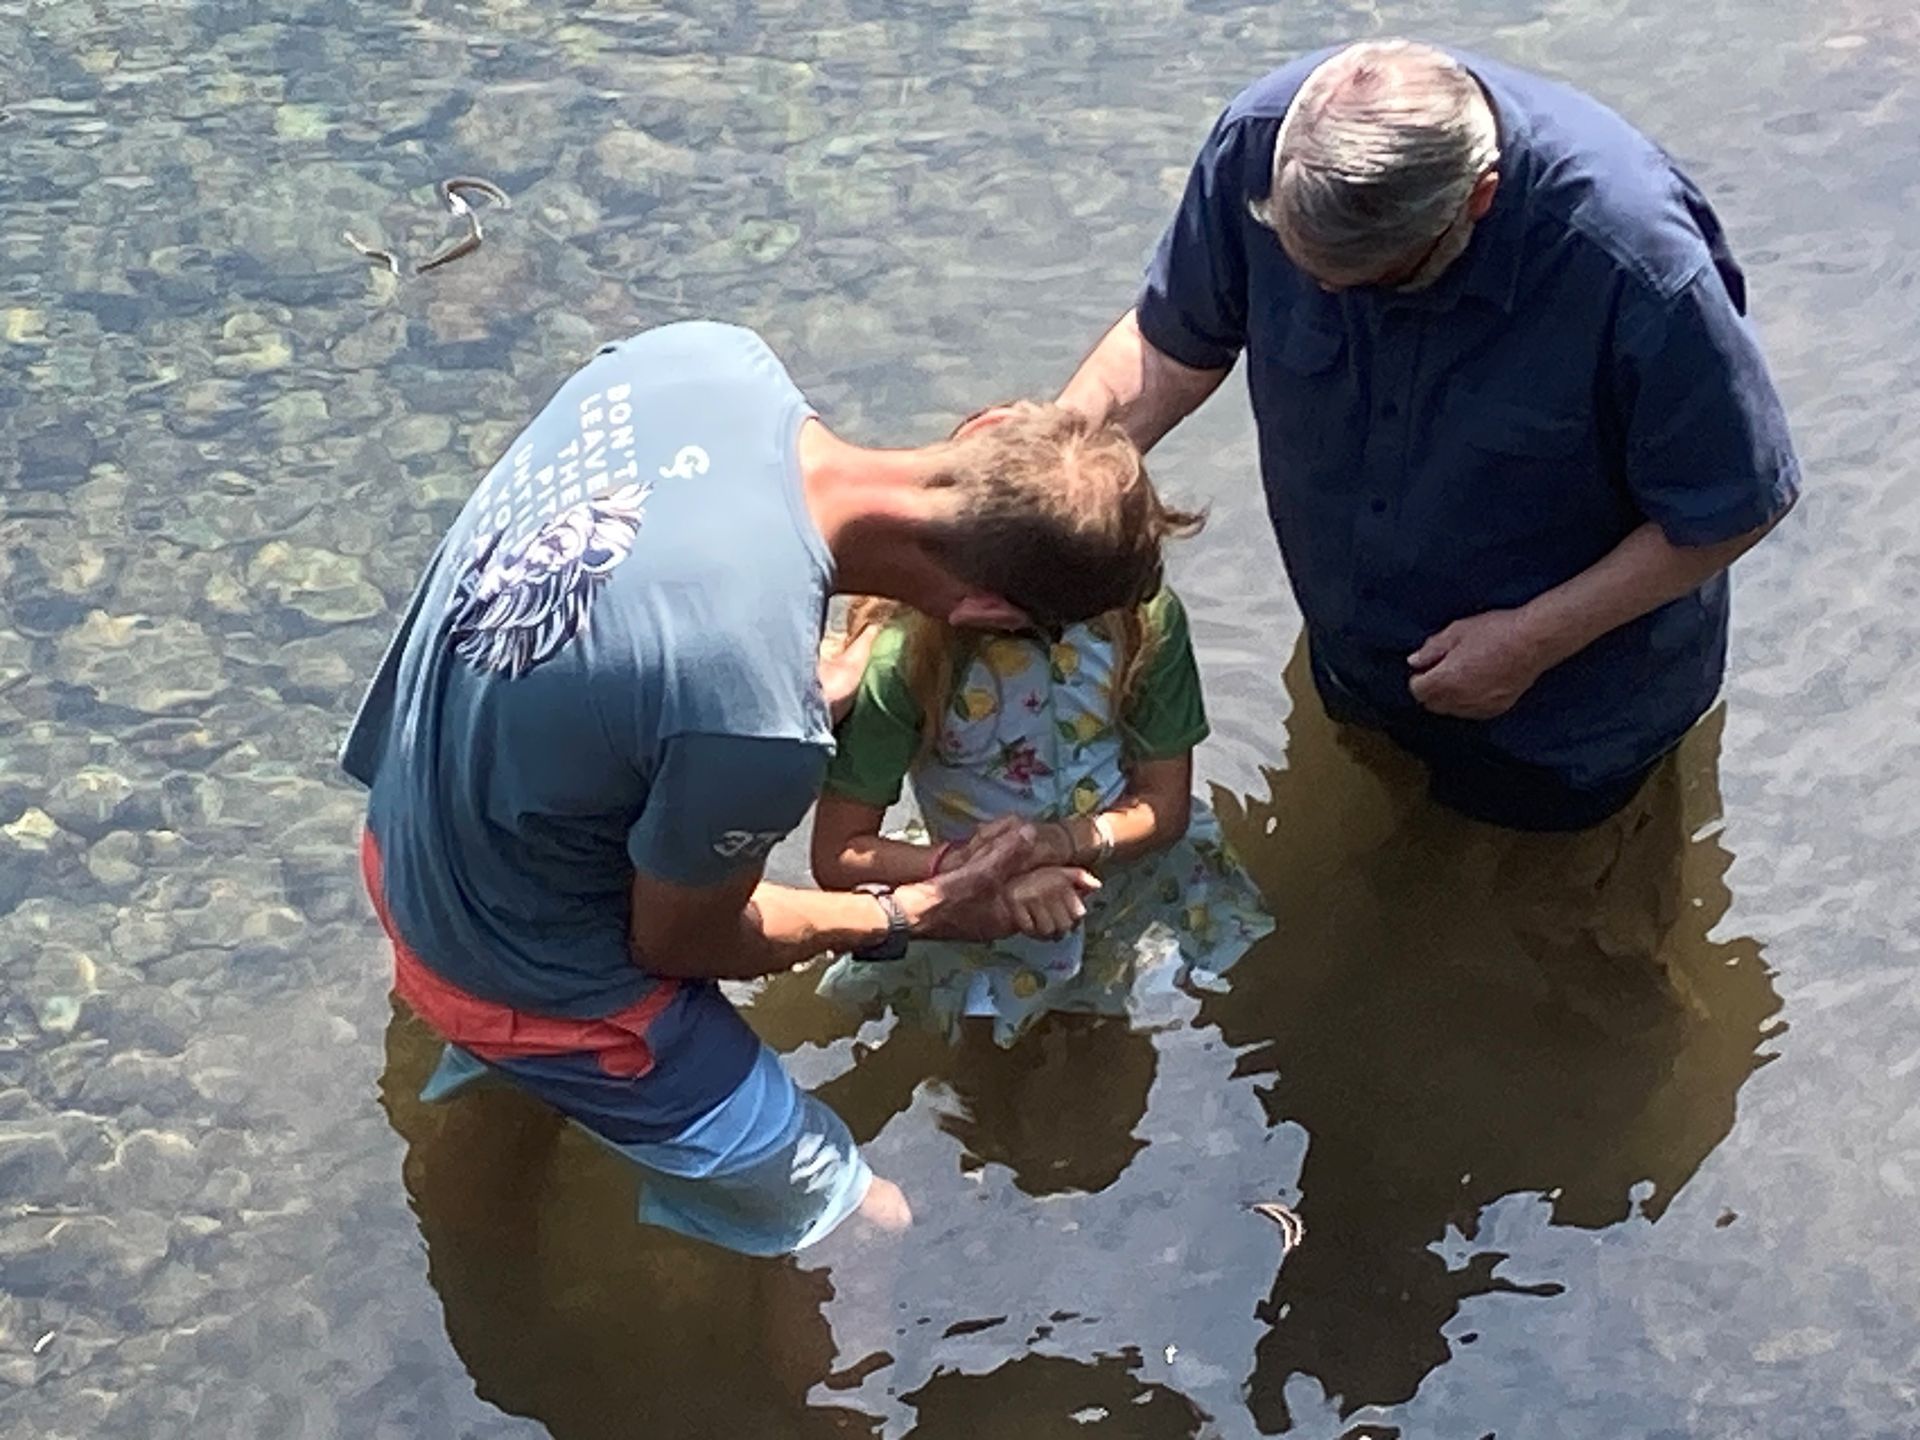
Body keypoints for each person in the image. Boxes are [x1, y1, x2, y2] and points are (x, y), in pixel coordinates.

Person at [341, 320, 1187, 1256]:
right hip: (527, 972)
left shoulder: (709, 358)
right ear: (987, 614)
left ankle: (491, 1143)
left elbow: (621, 597)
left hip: (400, 830)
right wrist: (915, 913)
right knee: (866, 1229)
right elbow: (682, 942)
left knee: (512, 1086)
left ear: (983, 428)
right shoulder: (751, 723)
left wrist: (766, 679)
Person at [1057, 39, 1801, 831]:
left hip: (1571, 716)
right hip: (1357, 657)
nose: (1318, 293)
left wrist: (1529, 644)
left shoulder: (1638, 270)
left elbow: (1738, 503)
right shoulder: (1262, 147)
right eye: (1301, 265)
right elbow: (1172, 347)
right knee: (1367, 863)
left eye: (1364, 282)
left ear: (1477, 200)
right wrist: (1037, 482)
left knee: (1557, 918)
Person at [809, 466, 1273, 1045]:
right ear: (993, 603)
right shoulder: (907, 659)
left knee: (1113, 1054)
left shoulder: (1141, 617)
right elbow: (839, 855)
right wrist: (980, 875)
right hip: (979, 912)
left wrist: (1065, 842)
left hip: (1132, 881)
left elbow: (1164, 804)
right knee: (992, 1080)